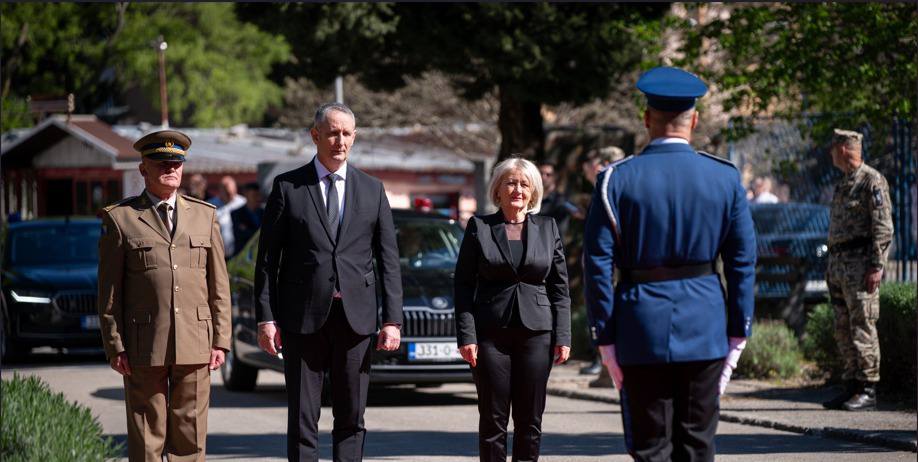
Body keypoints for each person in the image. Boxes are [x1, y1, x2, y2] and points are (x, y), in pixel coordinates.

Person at [583, 66, 756, 461]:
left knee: (650, 447)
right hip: (706, 324)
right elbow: (743, 262)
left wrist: (604, 337)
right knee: (697, 444)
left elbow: (597, 266)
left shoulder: (615, 180)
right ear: (694, 121)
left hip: (639, 325)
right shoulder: (724, 178)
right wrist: (737, 331)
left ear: (647, 119)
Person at [254, 102, 403, 462]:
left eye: (347, 133)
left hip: (356, 319)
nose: (340, 141)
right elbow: (268, 261)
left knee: (351, 415)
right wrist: (266, 318)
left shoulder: (372, 189)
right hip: (302, 318)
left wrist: (392, 320)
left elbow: (388, 260)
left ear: (355, 137)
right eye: (333, 133)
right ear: (315, 135)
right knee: (303, 416)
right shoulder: (288, 187)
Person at [97, 130, 232, 462]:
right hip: (143, 343)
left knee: (191, 435)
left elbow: (219, 286)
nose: (171, 169)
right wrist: (115, 345)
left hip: (196, 340)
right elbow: (110, 292)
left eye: (176, 163)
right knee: (147, 436)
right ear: (143, 169)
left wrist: (221, 340)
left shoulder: (205, 215)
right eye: (162, 163)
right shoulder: (121, 218)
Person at [454, 157, 572, 462]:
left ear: (533, 191)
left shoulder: (547, 227)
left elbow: (560, 289)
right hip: (490, 335)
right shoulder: (479, 227)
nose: (517, 189)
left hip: (537, 334)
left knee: (530, 418)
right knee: (493, 419)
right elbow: (463, 286)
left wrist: (563, 336)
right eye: (510, 182)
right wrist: (467, 336)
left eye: (524, 184)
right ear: (498, 189)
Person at [821, 129, 893, 412]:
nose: (830, 153)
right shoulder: (844, 183)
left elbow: (883, 227)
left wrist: (876, 265)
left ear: (843, 149)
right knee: (843, 327)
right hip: (839, 266)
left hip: (860, 265)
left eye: (833, 148)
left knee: (863, 325)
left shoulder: (871, 181)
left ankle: (867, 388)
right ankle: (851, 384)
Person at [537, 162, 582, 236]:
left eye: (548, 174)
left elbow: (579, 213)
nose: (543, 177)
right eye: (541, 173)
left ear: (555, 177)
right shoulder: (531, 199)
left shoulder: (562, 200)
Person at [214, 176, 246, 257]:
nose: (230, 195)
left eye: (232, 192)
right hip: (219, 253)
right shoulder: (212, 205)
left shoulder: (243, 203)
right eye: (227, 193)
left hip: (240, 253)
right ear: (220, 191)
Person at [231, 182, 264, 256]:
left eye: (259, 195)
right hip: (242, 257)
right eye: (254, 195)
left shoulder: (266, 213)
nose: (258, 198)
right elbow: (240, 235)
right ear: (246, 195)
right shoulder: (236, 214)